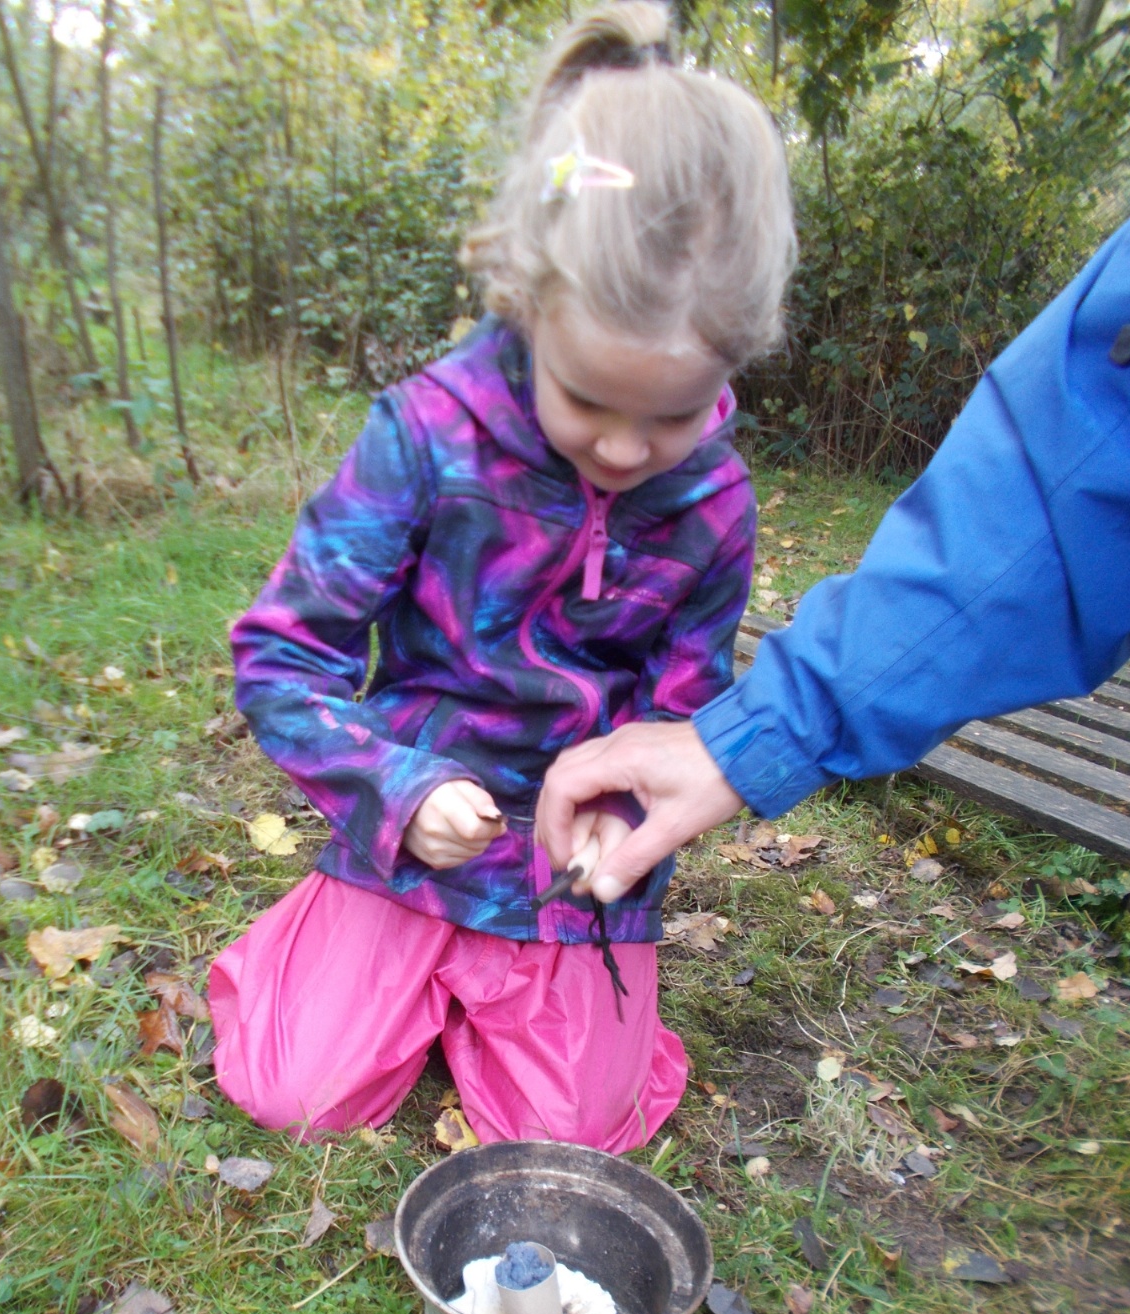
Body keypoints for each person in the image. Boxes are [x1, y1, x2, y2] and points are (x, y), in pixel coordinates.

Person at [208, 1, 795, 1152]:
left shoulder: (715, 505)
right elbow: (282, 657)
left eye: (673, 414)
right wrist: (396, 787)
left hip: (568, 875)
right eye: (588, 399)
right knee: (294, 1090)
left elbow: (681, 713)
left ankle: (511, 1002)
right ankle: (370, 964)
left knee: (576, 1134)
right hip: (415, 829)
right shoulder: (427, 435)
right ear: (528, 306)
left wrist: (621, 826)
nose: (624, 449)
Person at [537, 205, 1130, 902]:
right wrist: (760, 730)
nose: (621, 447)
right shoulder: (456, 451)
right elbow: (1067, 493)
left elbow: (1067, 487)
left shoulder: (713, 500)